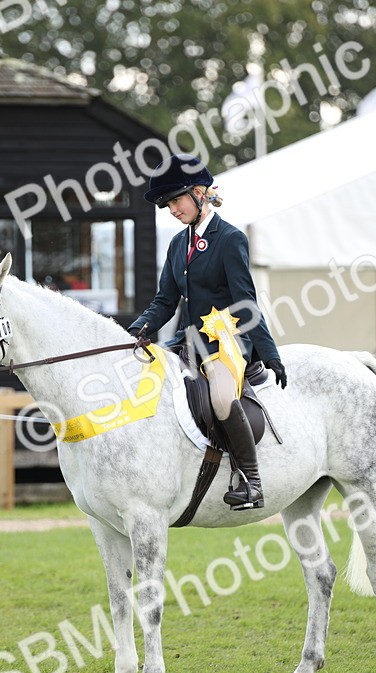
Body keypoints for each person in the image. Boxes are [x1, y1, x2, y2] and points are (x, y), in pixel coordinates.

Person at [127, 154, 285, 510]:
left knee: (219, 397)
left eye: (176, 200)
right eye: (167, 204)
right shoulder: (177, 244)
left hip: (225, 344)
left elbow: (246, 304)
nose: (171, 209)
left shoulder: (230, 239)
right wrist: (139, 329)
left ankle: (251, 481)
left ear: (200, 193)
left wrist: (270, 354)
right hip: (186, 342)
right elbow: (164, 301)